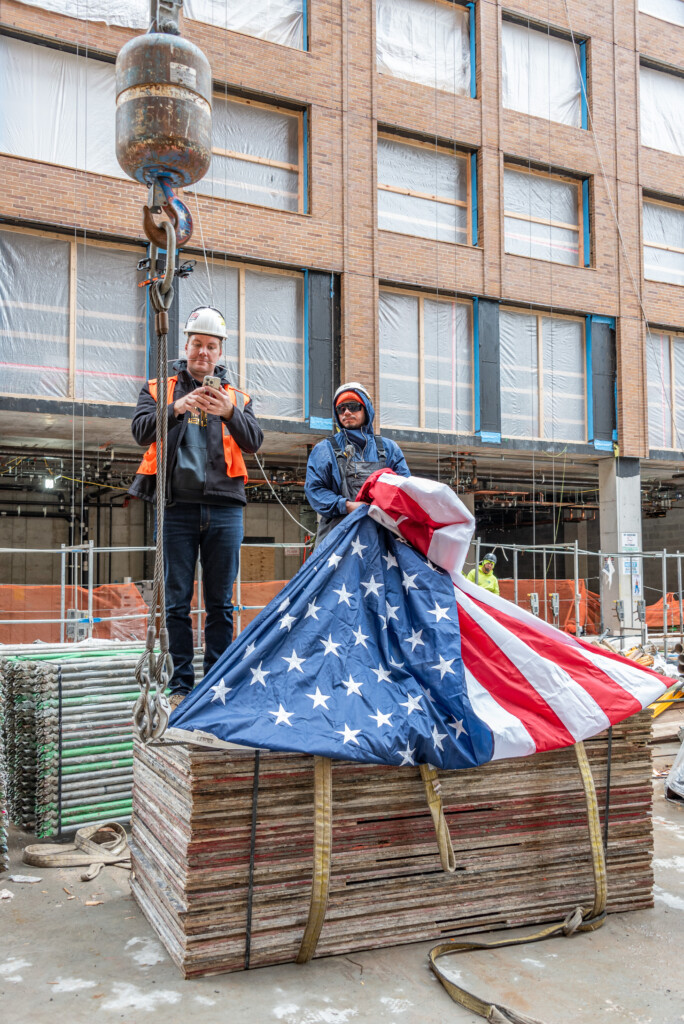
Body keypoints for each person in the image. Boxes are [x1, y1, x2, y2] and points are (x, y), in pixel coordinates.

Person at [129, 305, 264, 710]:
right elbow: (139, 431)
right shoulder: (159, 389)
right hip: (177, 508)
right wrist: (178, 407)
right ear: (185, 346)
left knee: (221, 602)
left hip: (224, 509)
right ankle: (181, 685)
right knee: (176, 601)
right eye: (197, 344)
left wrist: (229, 412)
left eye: (211, 346)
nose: (203, 352)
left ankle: (218, 682)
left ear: (220, 352)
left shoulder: (237, 397)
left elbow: (254, 441)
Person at [305, 381, 410, 546]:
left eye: (353, 406)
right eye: (341, 409)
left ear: (366, 408)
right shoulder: (324, 450)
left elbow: (405, 490)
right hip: (338, 540)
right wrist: (347, 506)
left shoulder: (389, 449)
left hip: (381, 538)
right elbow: (315, 491)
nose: (346, 412)